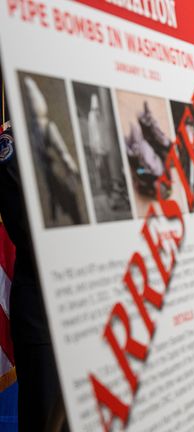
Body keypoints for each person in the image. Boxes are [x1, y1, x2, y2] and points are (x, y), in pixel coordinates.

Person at [0, 123, 69, 431]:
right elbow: (30, 233)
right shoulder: (13, 144)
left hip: (82, 305)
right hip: (43, 313)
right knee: (46, 418)